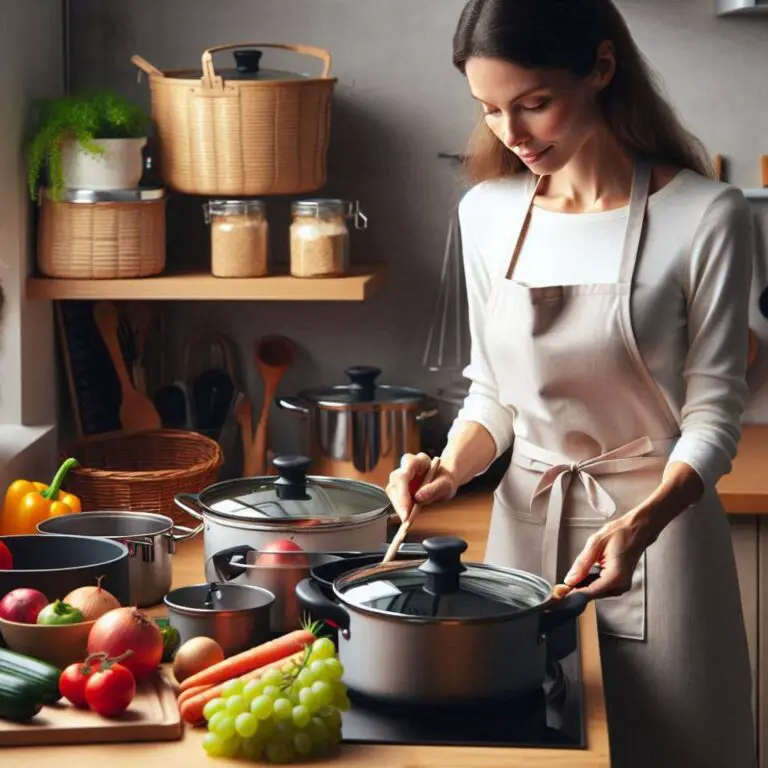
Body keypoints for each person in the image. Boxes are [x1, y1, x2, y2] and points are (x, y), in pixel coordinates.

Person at [386, 1, 757, 766]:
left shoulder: (706, 215)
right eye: (489, 110)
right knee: (528, 749)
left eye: (533, 104)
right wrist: (450, 467)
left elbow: (715, 413)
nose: (511, 135)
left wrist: (643, 522)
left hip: (664, 538)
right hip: (524, 533)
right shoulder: (484, 213)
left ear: (601, 68)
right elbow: (492, 390)